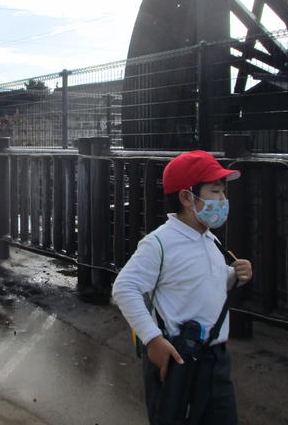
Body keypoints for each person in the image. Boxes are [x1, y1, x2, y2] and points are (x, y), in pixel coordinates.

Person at [112, 150, 253, 425]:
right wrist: (153, 340)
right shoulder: (160, 243)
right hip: (178, 358)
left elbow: (202, 285)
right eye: (216, 191)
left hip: (215, 359)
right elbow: (125, 288)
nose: (223, 200)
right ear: (187, 198)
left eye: (224, 192)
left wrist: (234, 276)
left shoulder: (210, 239)